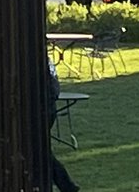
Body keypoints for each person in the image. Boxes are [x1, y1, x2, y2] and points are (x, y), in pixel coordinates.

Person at [48, 61, 80, 192]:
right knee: (40, 151)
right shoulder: (46, 61)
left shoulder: (34, 60)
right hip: (48, 107)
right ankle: (67, 186)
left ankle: (67, 186)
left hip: (40, 108)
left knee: (38, 151)